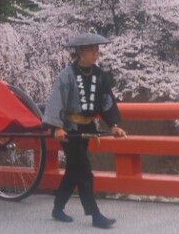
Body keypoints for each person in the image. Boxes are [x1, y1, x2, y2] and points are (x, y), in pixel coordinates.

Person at [43, 33, 127, 229]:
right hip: (69, 129)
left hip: (87, 127)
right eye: (92, 50)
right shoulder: (67, 75)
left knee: (74, 170)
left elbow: (107, 102)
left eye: (97, 50)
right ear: (80, 52)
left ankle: (57, 208)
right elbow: (56, 101)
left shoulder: (99, 74)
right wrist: (57, 127)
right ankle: (95, 215)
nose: (96, 53)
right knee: (84, 171)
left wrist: (113, 124)